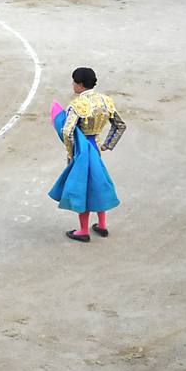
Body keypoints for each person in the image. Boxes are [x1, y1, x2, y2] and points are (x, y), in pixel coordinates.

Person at [49, 67, 124, 242]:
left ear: (81, 85)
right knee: (97, 183)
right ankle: (102, 225)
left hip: (81, 151)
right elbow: (120, 125)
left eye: (74, 82)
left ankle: (83, 231)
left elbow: (67, 132)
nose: (73, 85)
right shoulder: (106, 101)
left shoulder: (78, 105)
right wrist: (107, 144)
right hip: (96, 148)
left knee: (82, 187)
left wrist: (72, 152)